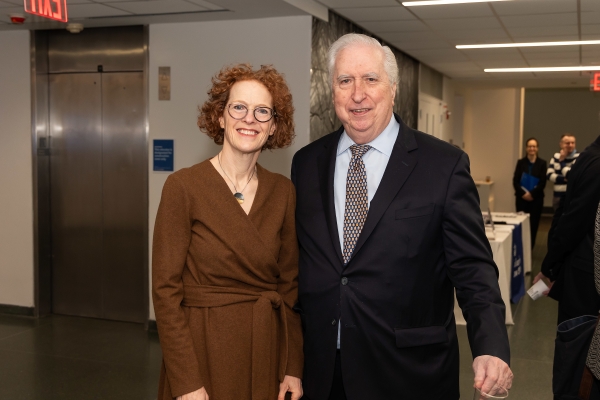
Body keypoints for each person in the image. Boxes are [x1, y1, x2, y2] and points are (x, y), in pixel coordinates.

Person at [291, 33, 512, 400]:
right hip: (323, 371)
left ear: (393, 88)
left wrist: (490, 345)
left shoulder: (443, 165)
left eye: (370, 79)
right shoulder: (307, 163)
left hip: (409, 373)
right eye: (345, 81)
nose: (357, 94)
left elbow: (473, 268)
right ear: (332, 91)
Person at [152, 64, 303, 400]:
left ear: (274, 125)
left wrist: (293, 366)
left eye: (262, 111)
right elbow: (165, 292)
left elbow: (290, 288)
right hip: (202, 348)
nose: (249, 119)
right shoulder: (183, 187)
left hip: (266, 349)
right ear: (220, 117)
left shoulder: (284, 192)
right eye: (239, 108)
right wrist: (186, 380)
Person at [512, 137, 547, 248]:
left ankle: (530, 248)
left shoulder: (542, 163)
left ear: (537, 148)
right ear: (526, 148)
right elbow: (515, 181)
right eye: (530, 146)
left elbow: (543, 182)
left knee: (534, 224)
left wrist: (531, 194)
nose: (532, 148)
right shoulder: (520, 162)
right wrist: (524, 194)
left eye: (534, 146)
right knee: (521, 224)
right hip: (522, 199)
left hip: (536, 199)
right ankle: (520, 247)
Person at [547, 134, 579, 211]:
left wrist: (562, 161)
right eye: (567, 143)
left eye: (573, 143)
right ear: (561, 144)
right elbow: (549, 175)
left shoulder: (578, 157)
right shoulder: (556, 156)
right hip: (557, 196)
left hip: (571, 196)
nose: (570, 145)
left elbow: (570, 175)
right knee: (557, 221)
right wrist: (563, 179)